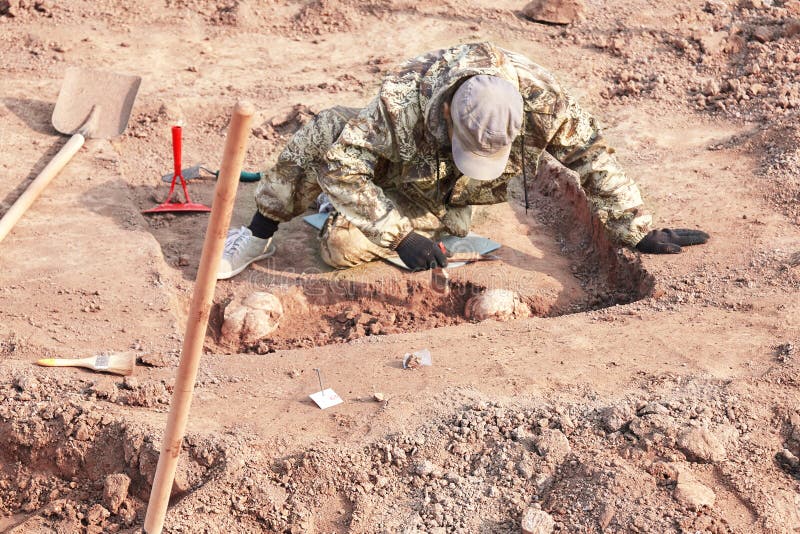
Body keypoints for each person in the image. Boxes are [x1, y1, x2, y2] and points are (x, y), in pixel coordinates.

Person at [217, 42, 708, 280]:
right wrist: (398, 236)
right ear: (448, 112)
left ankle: (378, 215)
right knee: (326, 131)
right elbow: (343, 161)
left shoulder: (544, 101)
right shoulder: (405, 98)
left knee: (342, 246)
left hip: (446, 194)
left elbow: (592, 154)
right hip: (398, 165)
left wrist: (636, 228)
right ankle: (257, 237)